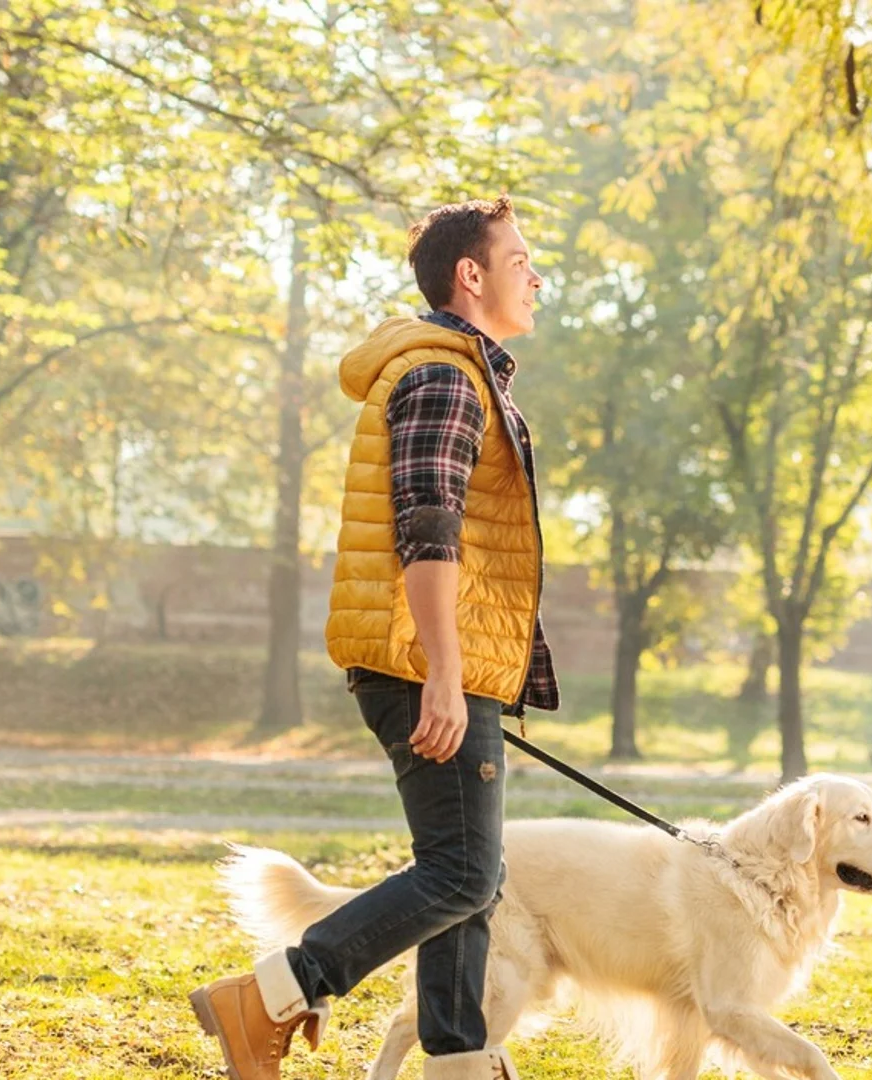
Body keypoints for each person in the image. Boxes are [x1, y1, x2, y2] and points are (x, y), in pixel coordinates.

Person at [189, 196, 558, 1080]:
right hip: (424, 661)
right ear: (471, 276)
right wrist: (442, 670)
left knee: (472, 879)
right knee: (465, 874)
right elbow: (424, 528)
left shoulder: (462, 373)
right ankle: (276, 990)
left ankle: (458, 1063)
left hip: (441, 662)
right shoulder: (442, 377)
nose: (536, 277)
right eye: (519, 261)